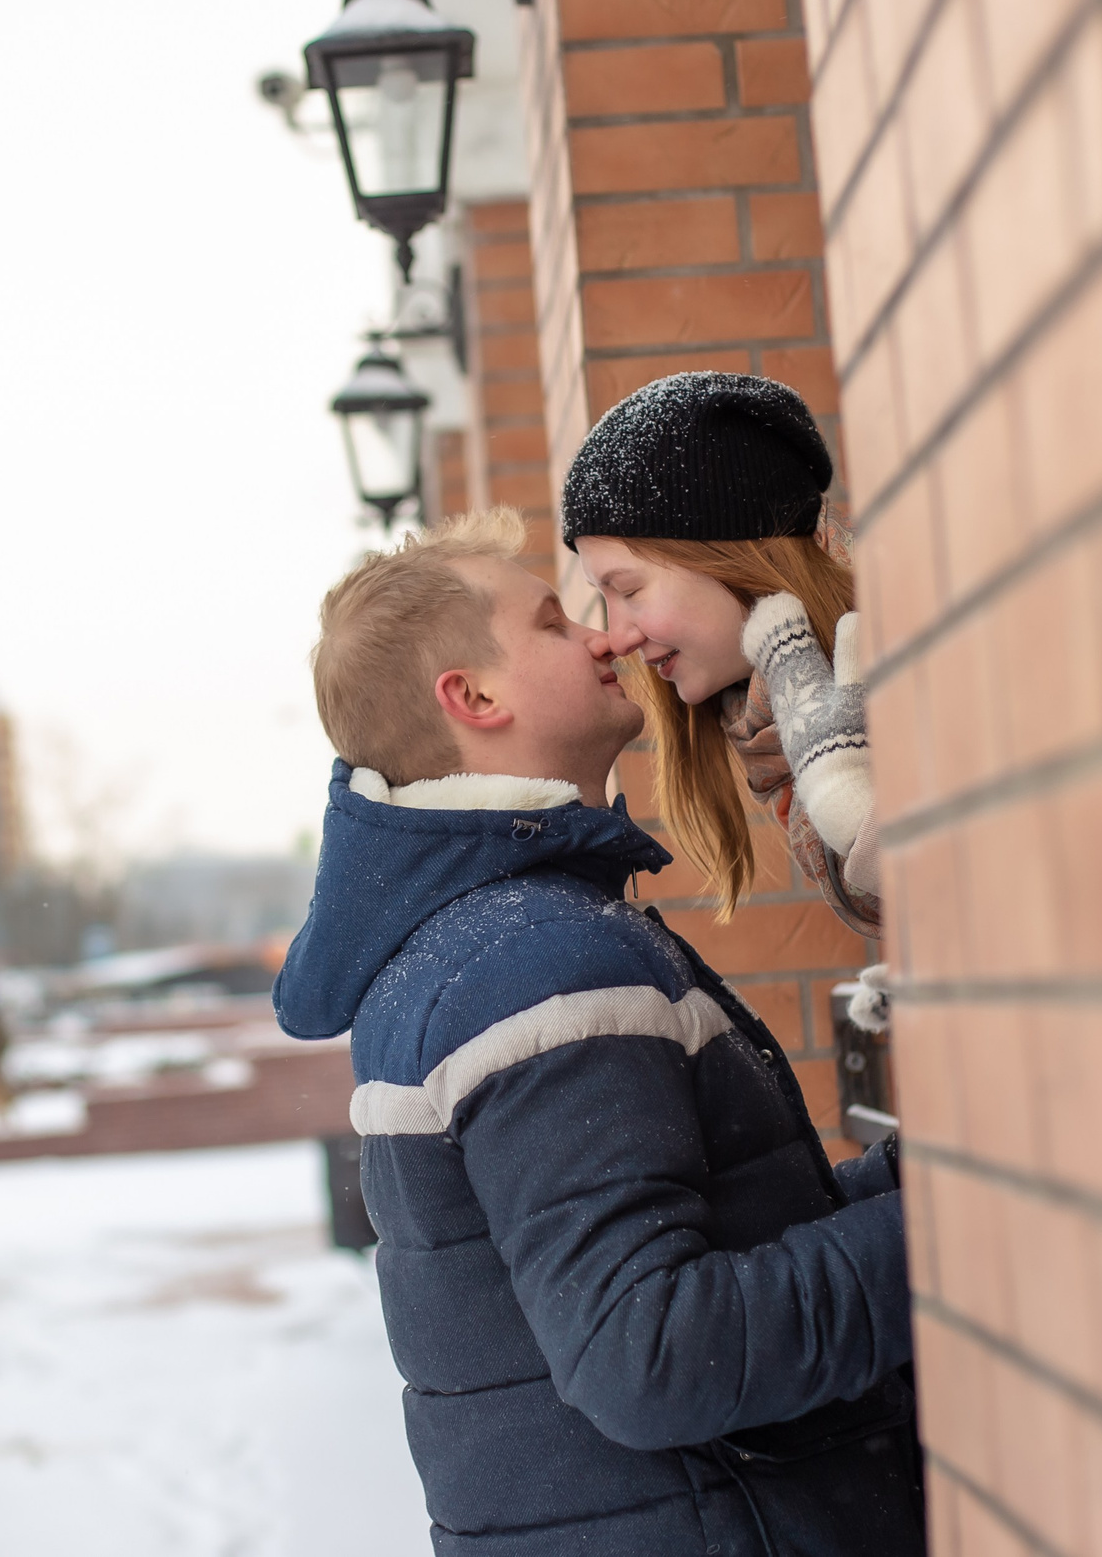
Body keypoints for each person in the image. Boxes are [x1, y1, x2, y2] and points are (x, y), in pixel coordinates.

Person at [274, 509, 920, 1557]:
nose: (604, 637)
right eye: (550, 622)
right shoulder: (528, 965)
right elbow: (653, 1354)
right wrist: (964, 1226)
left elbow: (705, 1241)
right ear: (473, 698)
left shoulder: (487, 942)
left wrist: (912, 1181)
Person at [564, 371, 891, 1031]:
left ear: (728, 554)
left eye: (627, 588)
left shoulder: (902, 660)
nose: (617, 634)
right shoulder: (769, 715)